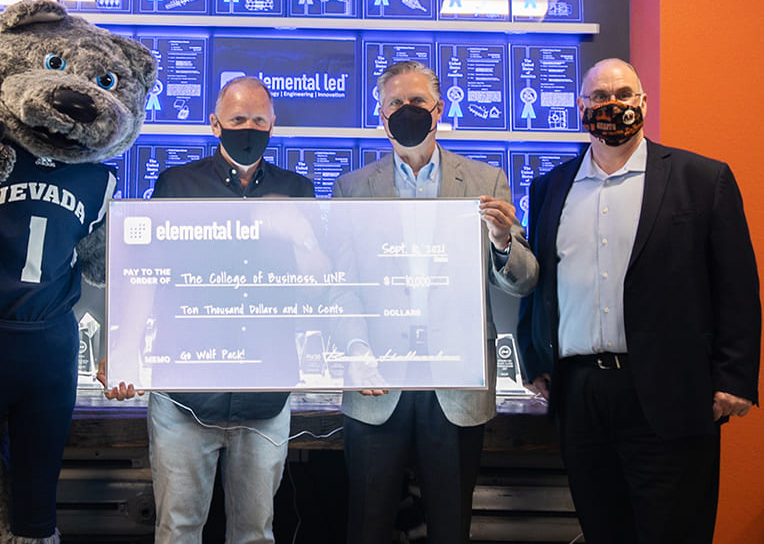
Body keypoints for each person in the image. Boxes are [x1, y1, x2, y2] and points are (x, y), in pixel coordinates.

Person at [517, 57, 761, 544]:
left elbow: (737, 286)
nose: (613, 104)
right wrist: (535, 358)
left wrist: (734, 378)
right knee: (603, 529)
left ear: (643, 103)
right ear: (580, 107)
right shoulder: (550, 187)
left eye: (625, 94)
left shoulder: (701, 179)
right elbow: (543, 283)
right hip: (582, 396)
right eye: (599, 96)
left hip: (672, 393)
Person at [99, 75, 317, 544]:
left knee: (255, 534)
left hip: (265, 396)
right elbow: (146, 276)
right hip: (184, 397)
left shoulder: (297, 191)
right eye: (238, 119)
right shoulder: (176, 185)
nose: (249, 128)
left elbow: (318, 282)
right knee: (178, 530)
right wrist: (123, 349)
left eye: (259, 120)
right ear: (215, 125)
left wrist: (298, 232)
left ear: (273, 125)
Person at [331, 60, 539, 544]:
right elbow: (340, 286)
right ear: (380, 116)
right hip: (377, 385)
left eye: (417, 102)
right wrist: (355, 354)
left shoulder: (486, 182)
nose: (407, 111)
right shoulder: (352, 188)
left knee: (450, 529)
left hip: (456, 382)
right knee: (368, 527)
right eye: (395, 104)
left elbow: (523, 282)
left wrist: (504, 241)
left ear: (438, 109)